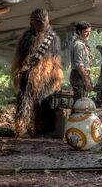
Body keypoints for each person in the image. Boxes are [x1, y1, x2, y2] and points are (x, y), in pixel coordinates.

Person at [11, 8, 63, 137]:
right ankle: (22, 129)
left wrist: (56, 78)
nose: (42, 24)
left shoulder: (53, 38)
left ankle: (41, 130)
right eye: (38, 22)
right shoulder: (27, 37)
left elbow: (56, 60)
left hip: (46, 77)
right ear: (32, 23)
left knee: (44, 105)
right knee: (25, 103)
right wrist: (20, 71)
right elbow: (20, 58)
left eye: (43, 21)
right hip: (28, 76)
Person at [70, 21, 94, 102]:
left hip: (82, 75)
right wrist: (86, 81)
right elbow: (79, 65)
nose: (88, 34)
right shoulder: (79, 45)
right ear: (79, 32)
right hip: (78, 76)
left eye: (89, 32)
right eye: (86, 32)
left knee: (82, 102)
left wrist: (88, 79)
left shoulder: (83, 44)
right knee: (79, 103)